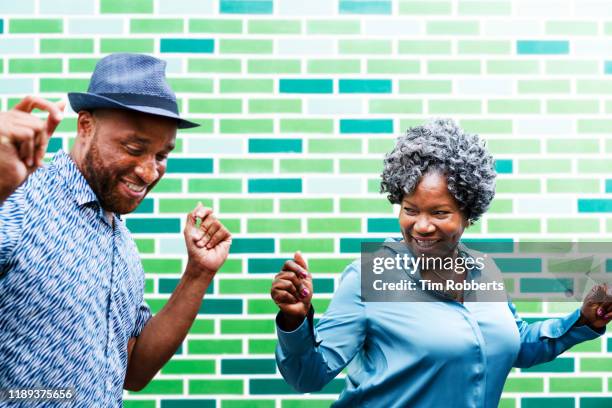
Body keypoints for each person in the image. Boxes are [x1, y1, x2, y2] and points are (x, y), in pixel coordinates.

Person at [270, 119, 611, 408]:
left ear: (469, 216)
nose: (421, 225)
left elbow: (516, 343)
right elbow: (308, 376)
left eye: (439, 212)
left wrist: (582, 320)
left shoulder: (485, 270)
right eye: (410, 209)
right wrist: (294, 320)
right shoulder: (369, 276)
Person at [0, 53, 232, 407]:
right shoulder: (18, 199)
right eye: (135, 148)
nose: (150, 172)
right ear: (85, 126)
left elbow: (134, 371)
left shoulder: (119, 241)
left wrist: (198, 274)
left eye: (161, 155)